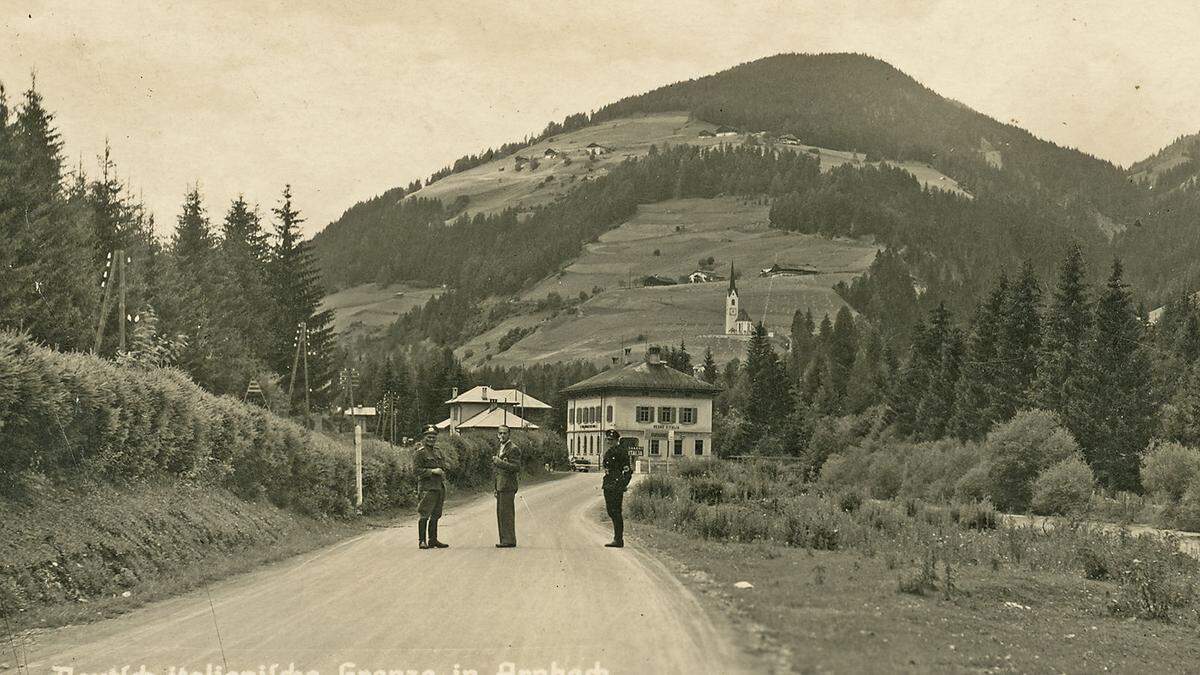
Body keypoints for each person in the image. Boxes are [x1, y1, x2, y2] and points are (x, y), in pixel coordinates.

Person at [413, 424, 449, 549]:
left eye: (434, 436)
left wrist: (443, 470)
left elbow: (444, 465)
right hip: (427, 488)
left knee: (436, 514)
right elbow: (416, 470)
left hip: (439, 487)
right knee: (425, 514)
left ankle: (433, 540)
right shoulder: (420, 453)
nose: (431, 439)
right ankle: (422, 541)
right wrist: (432, 471)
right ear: (424, 437)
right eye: (429, 436)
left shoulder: (438, 451)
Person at [601, 429, 633, 548]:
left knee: (616, 512)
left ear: (616, 440)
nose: (609, 441)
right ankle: (617, 538)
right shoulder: (609, 452)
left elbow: (627, 471)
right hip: (608, 484)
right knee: (610, 511)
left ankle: (618, 539)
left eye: (611, 440)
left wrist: (623, 484)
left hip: (616, 485)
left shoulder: (621, 452)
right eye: (608, 439)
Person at [492, 424, 522, 548]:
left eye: (505, 433)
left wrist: (500, 463)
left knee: (507, 513)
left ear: (509, 434)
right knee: (501, 513)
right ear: (498, 435)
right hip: (500, 485)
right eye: (500, 433)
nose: (502, 435)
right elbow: (497, 471)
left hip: (508, 485)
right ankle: (504, 539)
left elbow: (516, 467)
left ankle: (509, 540)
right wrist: (495, 487)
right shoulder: (500, 447)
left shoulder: (513, 448)